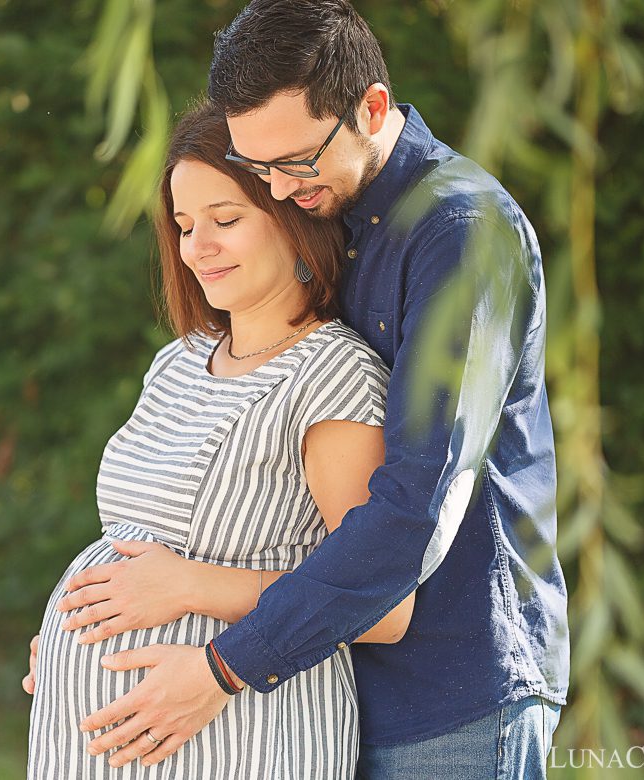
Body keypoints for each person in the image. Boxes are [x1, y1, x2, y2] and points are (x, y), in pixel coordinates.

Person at [30, 2, 571, 778]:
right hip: (332, 682)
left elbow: (416, 501)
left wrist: (226, 666)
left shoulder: (461, 233)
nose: (279, 191)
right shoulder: (334, 209)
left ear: (372, 108)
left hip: (452, 689)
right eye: (259, 170)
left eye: (295, 162)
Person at [25, 98, 414, 779]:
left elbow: (381, 605)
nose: (196, 247)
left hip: (241, 733)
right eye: (183, 226)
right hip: (94, 744)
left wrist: (190, 587)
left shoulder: (334, 376)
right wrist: (71, 629)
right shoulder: (176, 362)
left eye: (225, 220)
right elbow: (134, 546)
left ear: (292, 219)